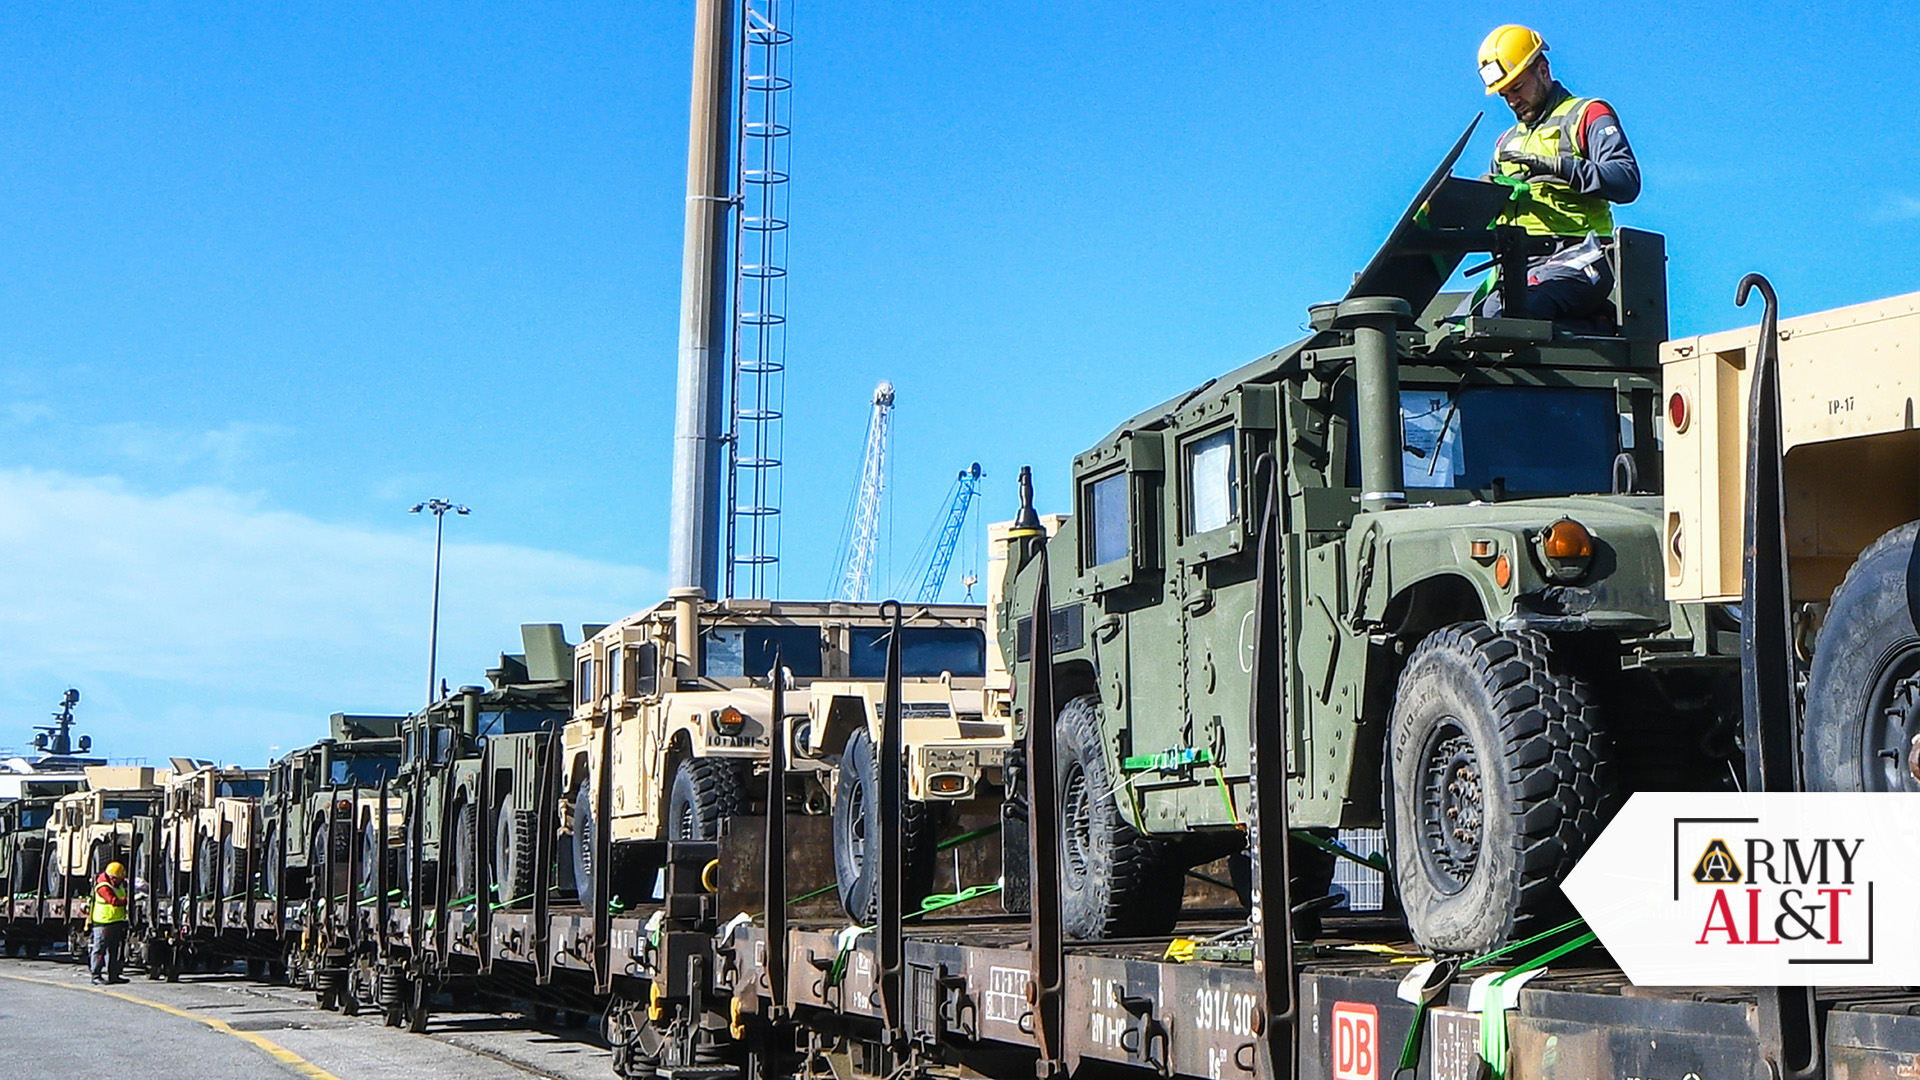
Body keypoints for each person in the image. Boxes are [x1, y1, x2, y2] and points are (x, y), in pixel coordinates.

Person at [1472, 25, 1641, 326]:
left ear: (1543, 70)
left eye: (1517, 88)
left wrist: (1557, 167)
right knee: (1463, 326)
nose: (1511, 100)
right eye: (1504, 94)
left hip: (1581, 255)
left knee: (1523, 313)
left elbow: (1625, 180)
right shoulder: (1505, 143)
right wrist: (1483, 200)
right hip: (1520, 266)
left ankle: (1593, 324)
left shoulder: (1587, 115)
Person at [88, 860, 129, 984]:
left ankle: (114, 975)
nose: (121, 881)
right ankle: (96, 975)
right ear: (112, 878)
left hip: (115, 922)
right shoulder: (103, 887)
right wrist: (128, 900)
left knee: (114, 951)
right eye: (119, 878)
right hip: (103, 923)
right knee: (100, 950)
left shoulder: (116, 884)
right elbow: (113, 901)